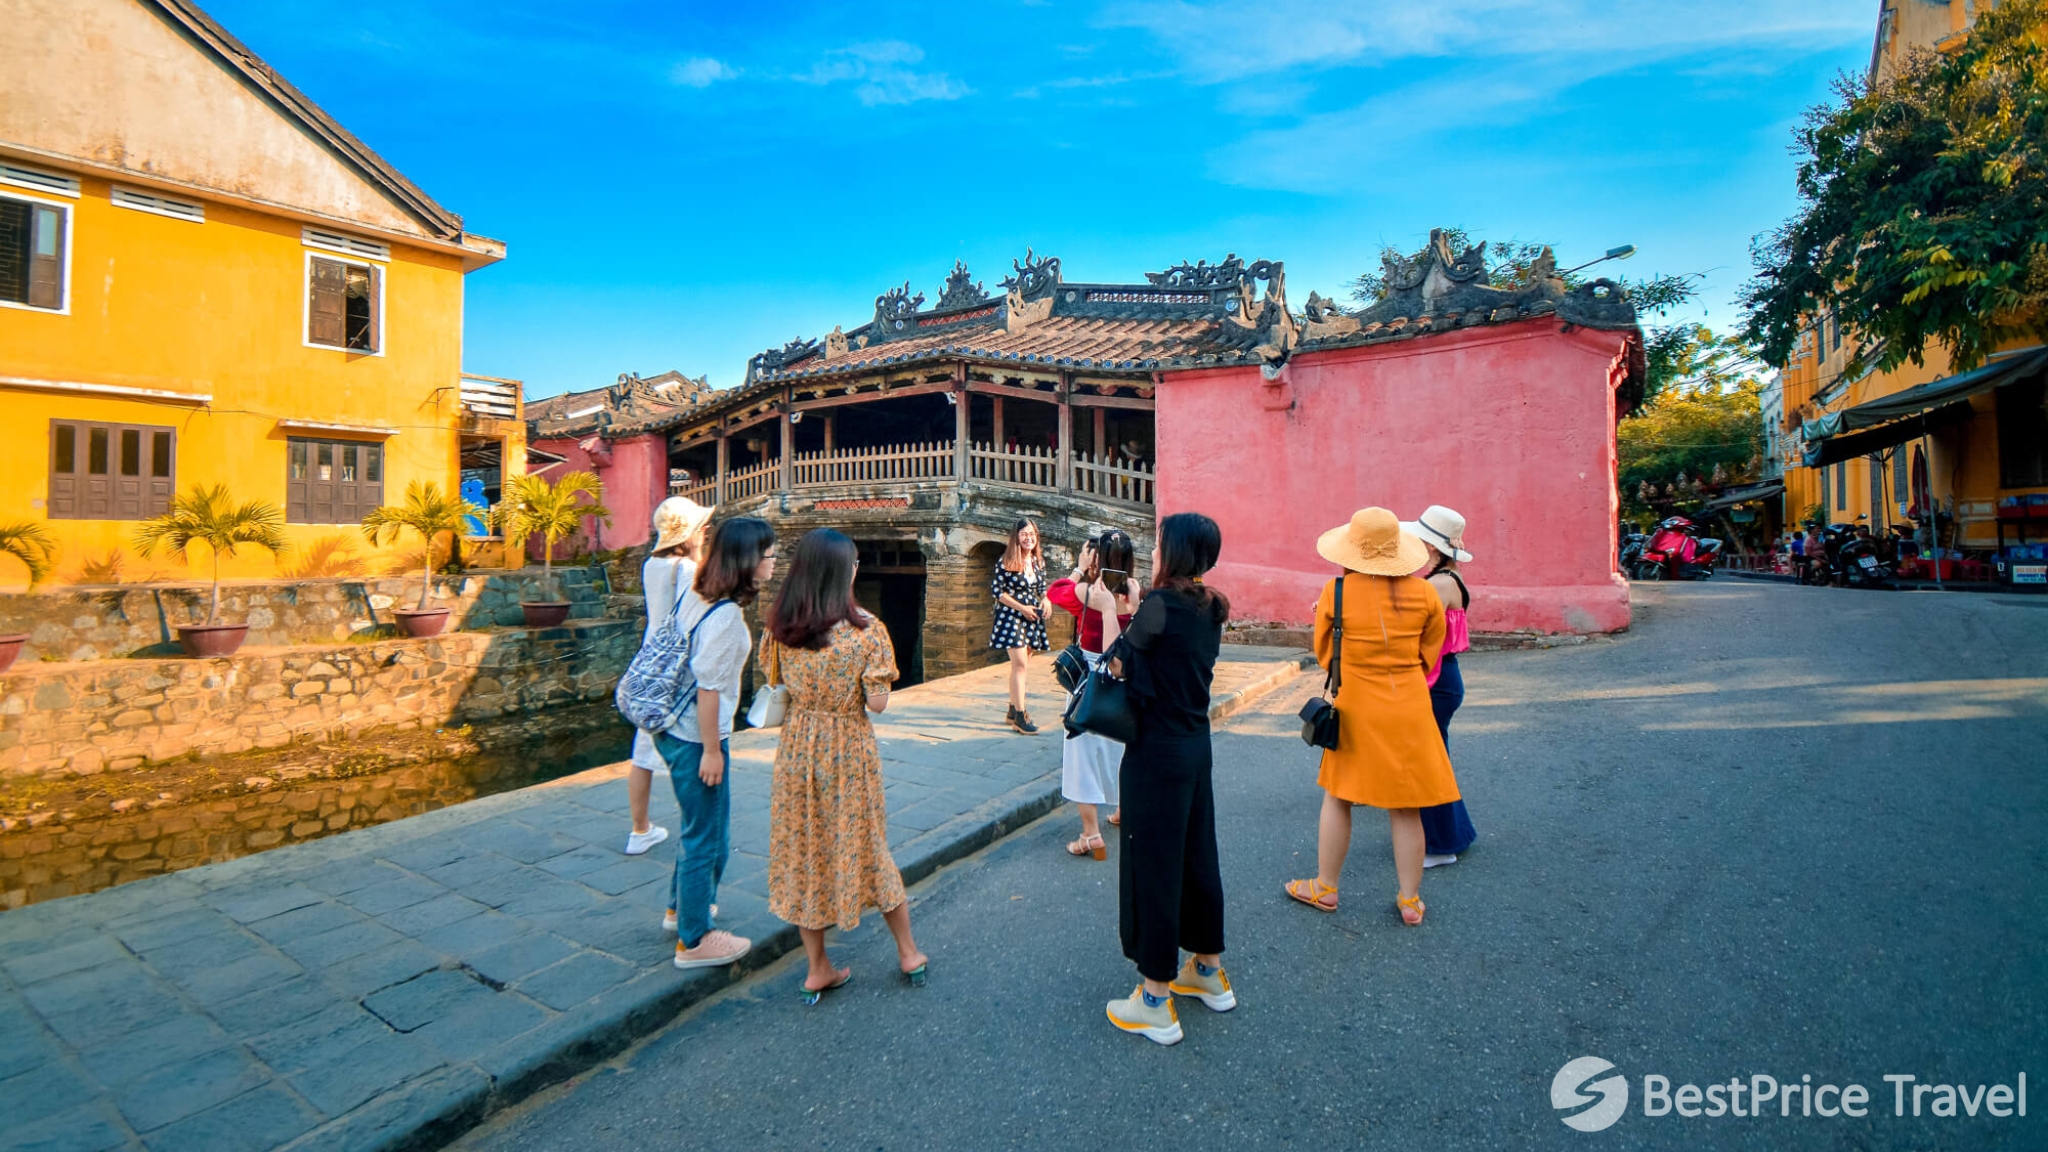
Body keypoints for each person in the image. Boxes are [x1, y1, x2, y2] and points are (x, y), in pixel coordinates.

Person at [762, 529, 928, 1001]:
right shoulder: (867, 630)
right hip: (847, 746)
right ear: (845, 573)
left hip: (798, 747)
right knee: (867, 842)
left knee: (805, 849)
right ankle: (908, 952)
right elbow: (877, 703)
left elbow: (774, 682)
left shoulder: (780, 627)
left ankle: (818, 967)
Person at [1286, 507, 1460, 927]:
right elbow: (1431, 652)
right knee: (1406, 807)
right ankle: (1410, 899)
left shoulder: (1336, 592)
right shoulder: (1425, 593)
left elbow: (1326, 654)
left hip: (1357, 705)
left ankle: (1326, 887)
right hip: (1410, 705)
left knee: (1338, 795)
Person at [1104, 512, 1234, 1046]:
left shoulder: (1159, 605)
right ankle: (1207, 970)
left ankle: (1155, 999)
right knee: (1197, 857)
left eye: (1159, 544)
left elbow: (1117, 664)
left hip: (1156, 754)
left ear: (1174, 551)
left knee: (1153, 867)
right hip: (1195, 747)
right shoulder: (1211, 606)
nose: (1154, 551)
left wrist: (1119, 611)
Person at [658, 516, 775, 970]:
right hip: (696, 735)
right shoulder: (725, 616)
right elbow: (709, 689)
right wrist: (711, 750)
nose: (773, 561)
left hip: (671, 725)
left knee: (697, 828)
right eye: (768, 554)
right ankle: (694, 940)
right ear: (747, 560)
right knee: (708, 838)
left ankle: (680, 909)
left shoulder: (699, 592)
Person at [625, 496, 715, 855]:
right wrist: (699, 557)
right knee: (691, 748)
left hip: (651, 663)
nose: (705, 533)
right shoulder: (689, 571)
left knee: (642, 751)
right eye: (701, 529)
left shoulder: (651, 565)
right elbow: (696, 615)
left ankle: (639, 829)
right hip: (679, 670)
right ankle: (696, 827)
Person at [1048, 529, 1137, 859]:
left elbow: (1056, 592)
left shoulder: (1088, 592)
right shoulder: (1134, 592)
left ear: (1097, 557)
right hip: (1122, 676)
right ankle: (1123, 809)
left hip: (1089, 679)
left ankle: (1091, 833)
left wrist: (1079, 567)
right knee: (1120, 747)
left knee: (1082, 754)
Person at [1405, 505, 1478, 868]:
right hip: (1444, 678)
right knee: (1435, 760)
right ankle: (1451, 835)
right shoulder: (1449, 578)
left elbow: (1410, 630)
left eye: (1421, 539)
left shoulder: (1437, 585)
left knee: (1429, 764)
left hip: (1436, 681)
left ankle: (1441, 845)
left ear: (1432, 546)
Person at [989, 518, 1051, 733]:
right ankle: (1020, 716)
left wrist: (1046, 599)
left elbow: (1042, 588)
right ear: (1016, 537)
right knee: (1020, 665)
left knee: (1021, 666)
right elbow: (998, 592)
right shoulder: (1006, 561)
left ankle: (1012, 709)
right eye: (1024, 534)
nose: (1029, 538)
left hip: (1030, 617)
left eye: (1032, 534)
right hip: (1010, 616)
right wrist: (1021, 607)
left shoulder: (1038, 562)